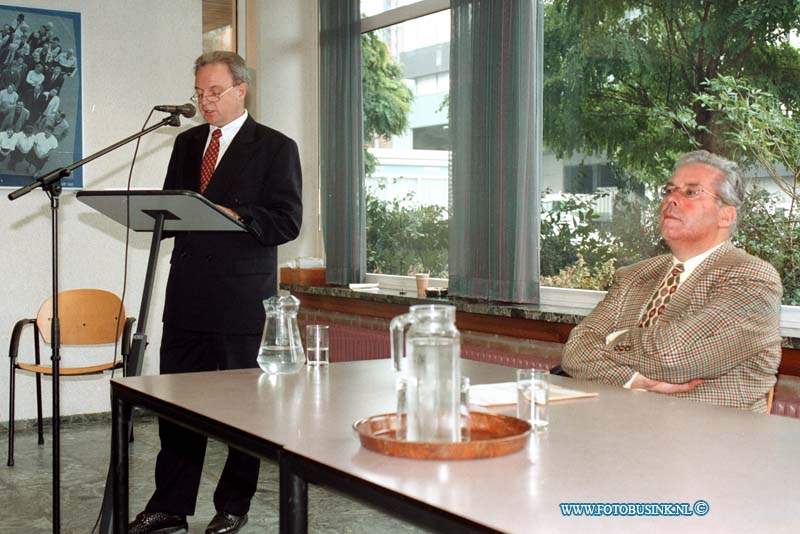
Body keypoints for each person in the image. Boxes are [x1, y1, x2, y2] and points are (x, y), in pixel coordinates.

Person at [127, 51, 302, 534]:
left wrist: (238, 215)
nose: (204, 101)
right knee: (177, 405)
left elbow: (287, 220)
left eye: (214, 92)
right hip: (186, 294)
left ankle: (233, 506)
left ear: (241, 90)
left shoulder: (274, 147)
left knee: (244, 409)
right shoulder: (186, 145)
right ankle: (170, 506)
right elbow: (170, 207)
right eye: (199, 92)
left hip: (242, 299)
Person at [561, 150, 782, 413]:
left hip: (712, 441)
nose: (671, 200)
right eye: (669, 191)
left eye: (690, 193)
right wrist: (634, 380)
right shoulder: (635, 275)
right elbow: (574, 352)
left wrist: (613, 339)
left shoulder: (752, 279)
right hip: (619, 427)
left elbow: (674, 355)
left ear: (726, 216)